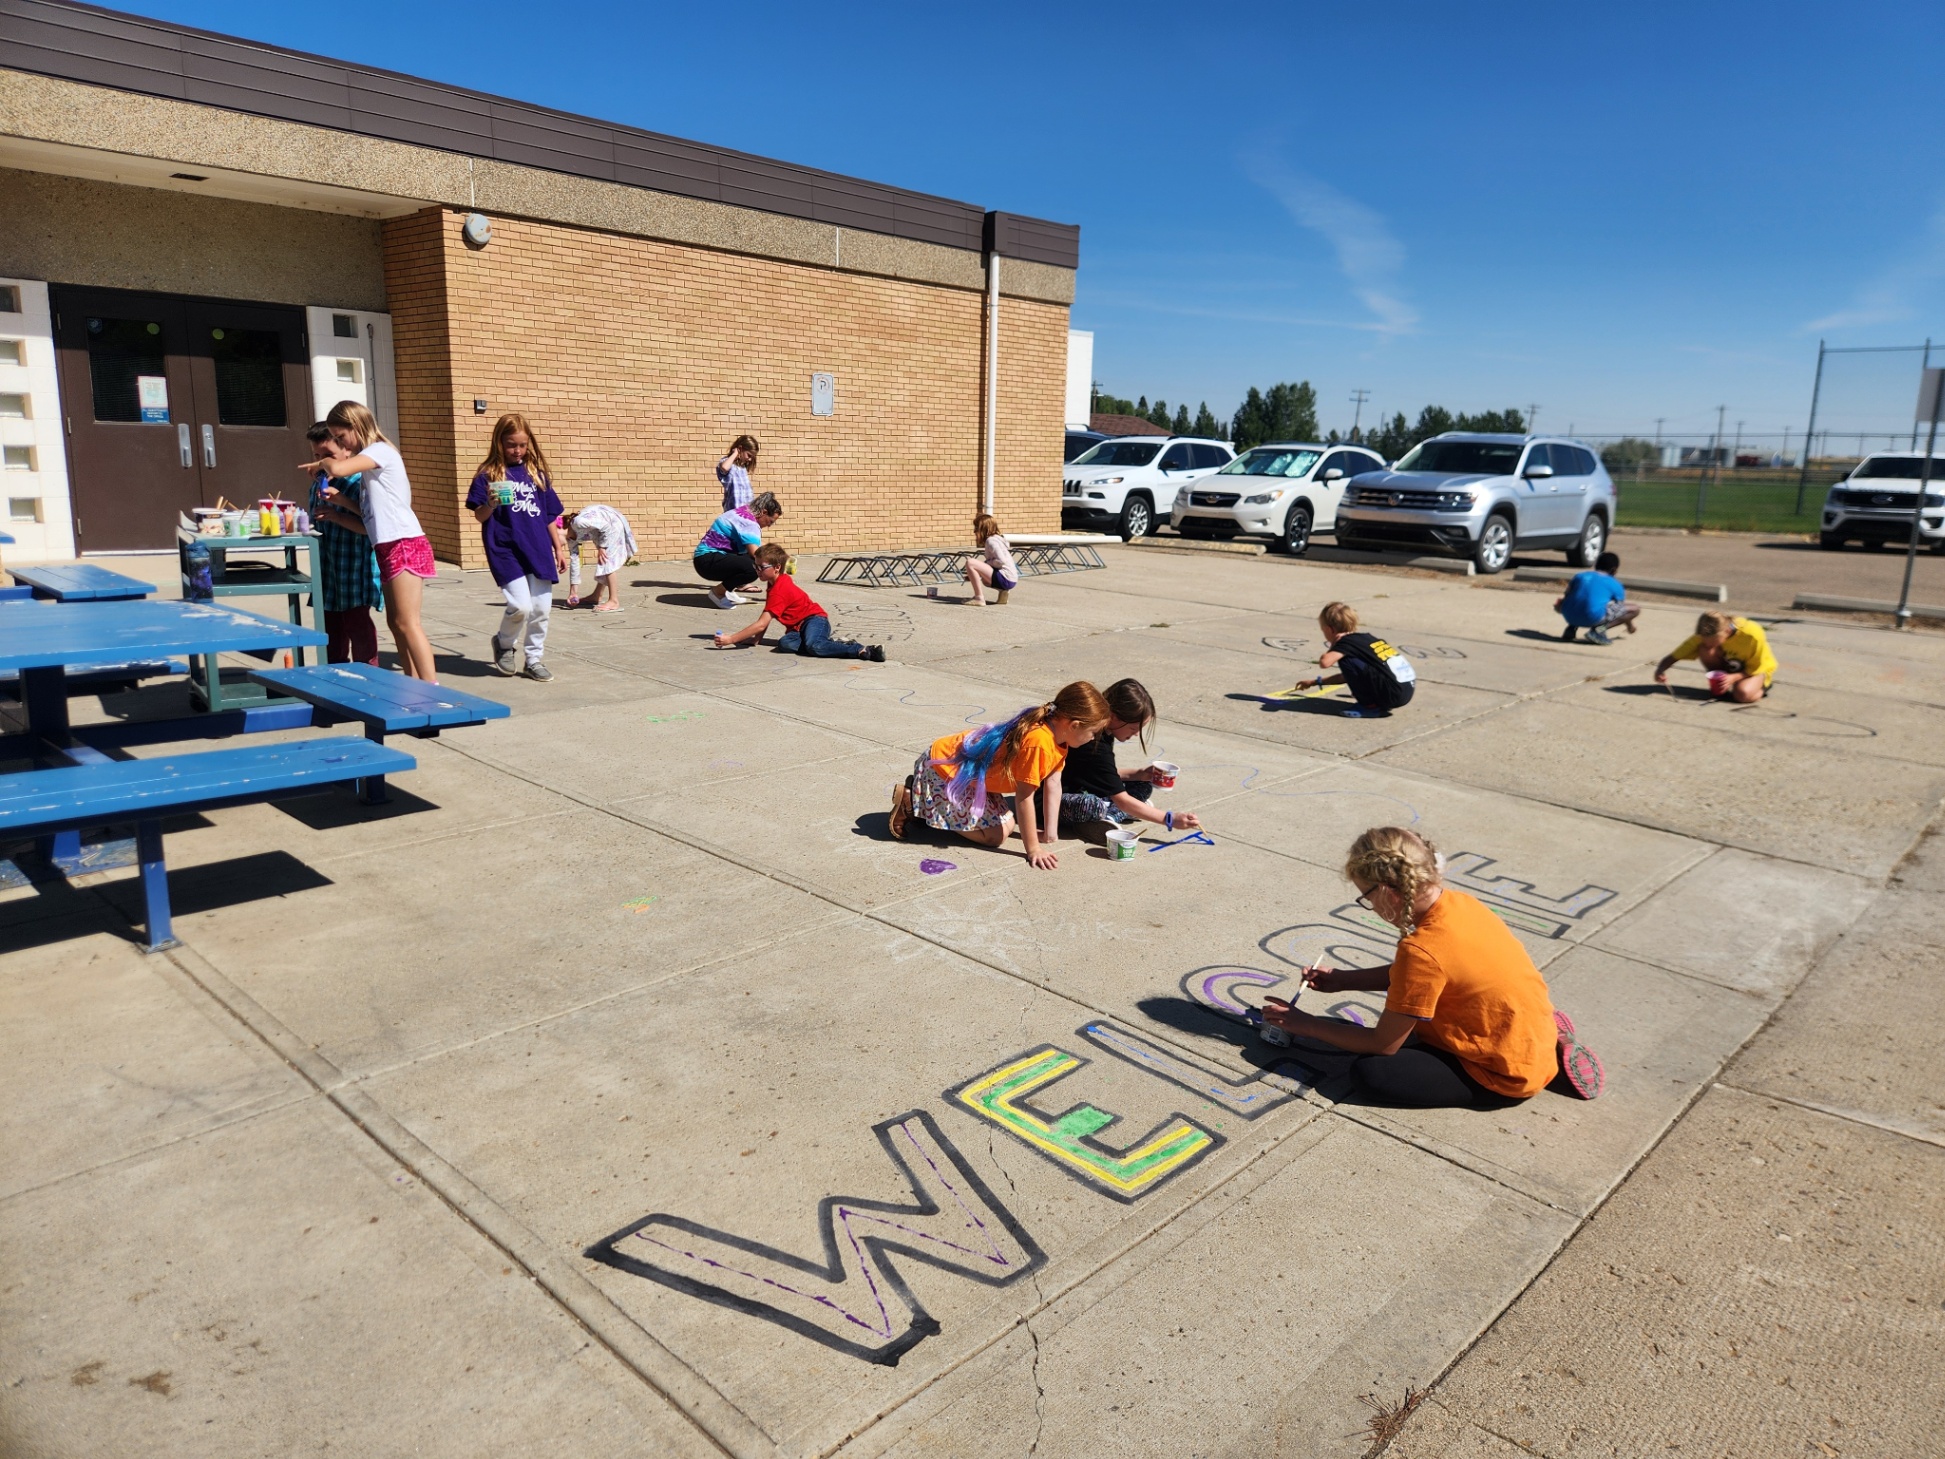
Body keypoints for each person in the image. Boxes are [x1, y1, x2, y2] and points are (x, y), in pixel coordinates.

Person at [1261, 827, 1605, 1107]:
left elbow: (1384, 1044)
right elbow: (1421, 976)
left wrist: (1306, 1024)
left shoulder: (1421, 951)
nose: (1368, 904)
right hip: (1519, 1024)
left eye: (1365, 897)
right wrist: (1343, 981)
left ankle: (1537, 1058)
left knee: (1373, 1073)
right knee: (1408, 1026)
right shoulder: (1461, 904)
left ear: (1385, 892)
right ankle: (1546, 1036)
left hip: (1502, 1074)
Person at [888, 682, 1109, 870]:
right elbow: (1024, 798)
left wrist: (1050, 834)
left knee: (1009, 824)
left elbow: (1053, 783)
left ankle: (927, 806)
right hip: (944, 770)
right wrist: (1033, 848)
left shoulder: (1059, 738)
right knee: (995, 837)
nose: (1092, 739)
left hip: (973, 779)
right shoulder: (1039, 743)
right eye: (1092, 733)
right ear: (1075, 725)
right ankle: (914, 803)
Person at [305, 400, 438, 683]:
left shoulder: (379, 451)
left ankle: (433, 689)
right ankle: (411, 683)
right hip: (388, 546)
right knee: (395, 623)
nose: (342, 443)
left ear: (356, 426)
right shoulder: (370, 465)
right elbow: (369, 517)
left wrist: (322, 463)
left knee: (408, 623)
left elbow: (339, 470)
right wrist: (341, 502)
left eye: (340, 437)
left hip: (404, 543)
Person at [464, 413, 566, 681]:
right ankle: (504, 644)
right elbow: (480, 516)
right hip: (505, 549)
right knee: (521, 606)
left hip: (538, 548)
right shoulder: (489, 475)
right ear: (499, 442)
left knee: (541, 609)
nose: (517, 451)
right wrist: (491, 503)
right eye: (511, 444)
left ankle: (533, 659)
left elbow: (548, 517)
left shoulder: (536, 475)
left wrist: (558, 547)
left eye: (522, 444)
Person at [1057, 678, 1202, 836]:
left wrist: (1140, 773)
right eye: (1134, 727)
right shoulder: (1092, 741)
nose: (1137, 733)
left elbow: (1102, 774)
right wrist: (1170, 819)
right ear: (1114, 717)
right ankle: (1109, 817)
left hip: (1083, 786)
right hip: (1059, 800)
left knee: (1143, 783)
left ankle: (1112, 813)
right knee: (1092, 805)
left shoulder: (1106, 731)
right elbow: (1122, 799)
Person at [710, 543, 885, 660]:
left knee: (814, 646)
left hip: (815, 620)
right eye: (755, 566)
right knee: (785, 644)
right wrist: (756, 640)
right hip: (797, 629)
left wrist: (730, 639)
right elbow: (767, 617)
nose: (757, 571)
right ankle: (831, 644)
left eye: (761, 567)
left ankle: (861, 649)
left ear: (777, 567)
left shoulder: (780, 589)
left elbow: (761, 624)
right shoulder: (774, 585)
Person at [304, 423, 382, 666]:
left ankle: (369, 674)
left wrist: (338, 515)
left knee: (357, 624)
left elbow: (371, 529)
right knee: (331, 625)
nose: (321, 462)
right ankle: (335, 671)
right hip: (328, 568)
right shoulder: (318, 483)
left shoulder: (360, 483)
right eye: (317, 456)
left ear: (347, 451)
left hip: (355, 569)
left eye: (328, 456)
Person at [1290, 602, 1416, 718]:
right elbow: (1349, 676)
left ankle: (1369, 707)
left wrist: (1335, 644)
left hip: (1392, 695)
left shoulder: (1346, 643)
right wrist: (1314, 682)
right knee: (1352, 662)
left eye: (1323, 630)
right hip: (1404, 692)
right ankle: (1375, 701)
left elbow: (1325, 662)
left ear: (1330, 629)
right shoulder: (1368, 639)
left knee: (1346, 660)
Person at [1655, 609, 1777, 703]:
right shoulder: (1706, 634)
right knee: (1705, 650)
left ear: (1727, 632)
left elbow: (1756, 667)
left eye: (1713, 642)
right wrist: (1661, 669)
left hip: (1757, 670)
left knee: (1742, 695)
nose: (1708, 644)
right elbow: (1676, 655)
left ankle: (1762, 688)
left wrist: (1733, 678)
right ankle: (1721, 687)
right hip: (1732, 666)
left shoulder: (1752, 634)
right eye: (1704, 639)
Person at [693, 491, 782, 609]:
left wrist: (780, 555)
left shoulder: (745, 512)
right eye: (770, 521)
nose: (769, 525)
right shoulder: (749, 523)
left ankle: (728, 590)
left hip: (706, 558)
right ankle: (718, 592)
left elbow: (758, 544)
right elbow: (755, 552)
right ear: (764, 512)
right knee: (753, 567)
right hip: (707, 561)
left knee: (751, 560)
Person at [562, 503, 637, 613]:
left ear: (559, 529)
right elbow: (575, 562)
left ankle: (614, 601)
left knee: (607, 560)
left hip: (612, 524)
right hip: (601, 533)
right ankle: (596, 596)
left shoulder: (578, 522)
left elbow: (605, 526)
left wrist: (602, 547)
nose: (555, 545)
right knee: (603, 560)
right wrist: (573, 592)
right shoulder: (571, 539)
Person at [1555, 550, 1640, 645]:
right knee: (1634, 609)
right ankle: (1598, 631)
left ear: (1596, 566)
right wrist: (1630, 626)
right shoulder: (1615, 584)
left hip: (1569, 616)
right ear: (1614, 570)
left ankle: (1571, 628)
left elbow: (1567, 595)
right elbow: (1621, 611)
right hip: (1590, 618)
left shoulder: (1580, 576)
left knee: (1579, 600)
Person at [964, 513, 1019, 606]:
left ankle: (979, 598)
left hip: (1005, 579)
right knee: (978, 568)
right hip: (1011, 579)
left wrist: (988, 563)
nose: (974, 531)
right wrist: (976, 575)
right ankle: (1003, 592)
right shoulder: (997, 539)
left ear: (984, 529)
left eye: (976, 528)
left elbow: (1001, 561)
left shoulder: (991, 541)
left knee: (970, 562)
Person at [717, 435, 759, 511]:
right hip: (734, 513)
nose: (750, 459)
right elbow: (724, 468)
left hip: (746, 513)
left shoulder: (742, 468)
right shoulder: (727, 463)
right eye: (749, 455)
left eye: (752, 457)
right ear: (740, 449)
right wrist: (735, 453)